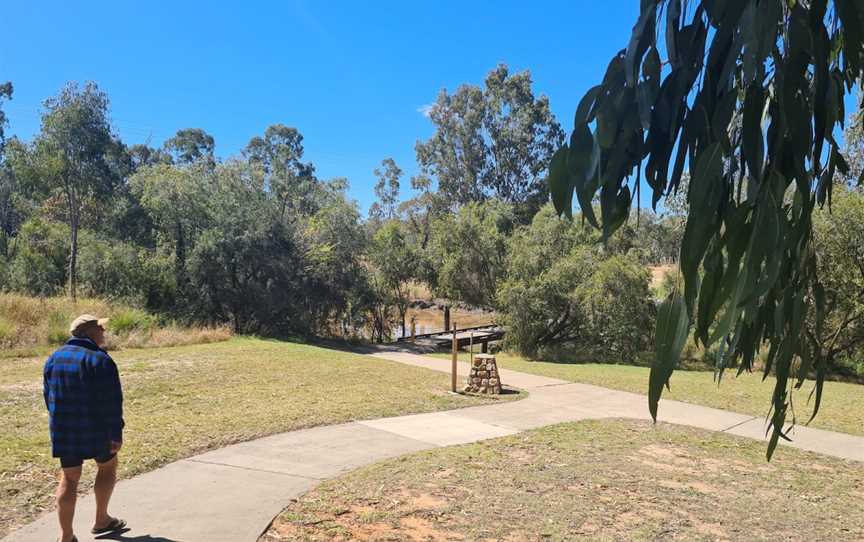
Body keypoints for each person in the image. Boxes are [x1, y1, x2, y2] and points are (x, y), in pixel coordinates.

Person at [43, 314, 127, 542]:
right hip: (98, 429)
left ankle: (66, 536)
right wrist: (115, 432)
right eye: (101, 327)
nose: (104, 331)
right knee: (107, 467)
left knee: (69, 479)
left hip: (65, 430)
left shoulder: (54, 357)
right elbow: (112, 401)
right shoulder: (101, 359)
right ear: (90, 331)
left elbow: (47, 395)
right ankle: (101, 520)